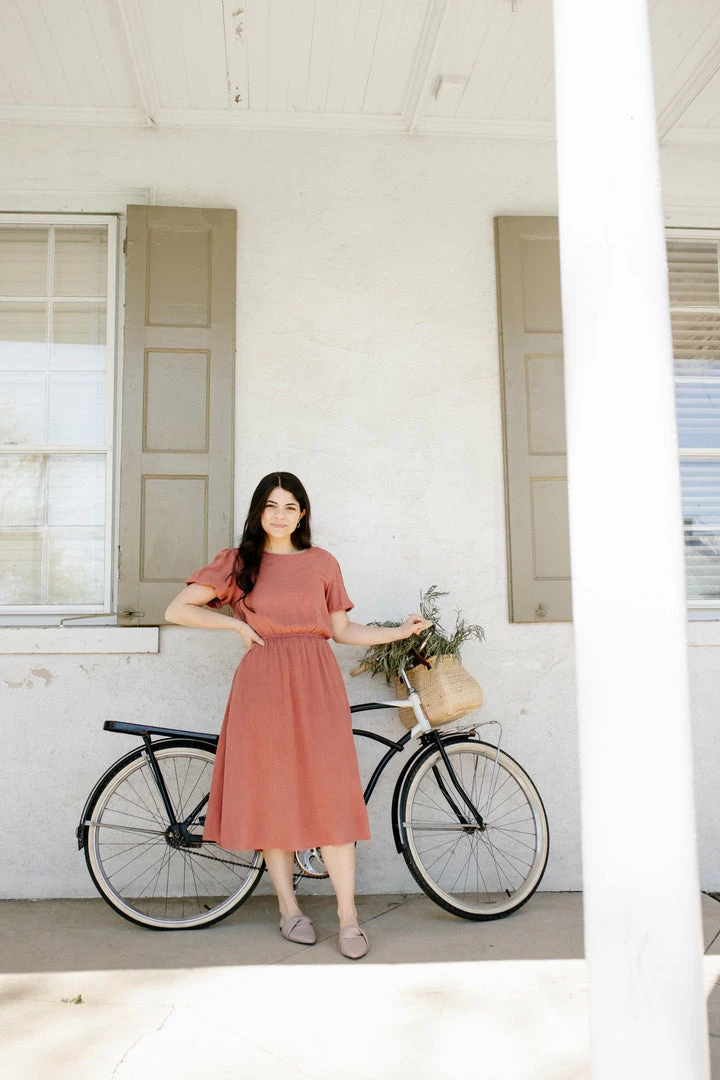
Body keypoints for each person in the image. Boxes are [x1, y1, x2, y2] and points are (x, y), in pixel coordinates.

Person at [165, 471, 431, 960]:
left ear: (302, 513)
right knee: (274, 795)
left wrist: (398, 633)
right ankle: (289, 908)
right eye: (271, 506)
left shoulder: (322, 563)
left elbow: (343, 630)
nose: (280, 515)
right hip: (262, 684)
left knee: (332, 796)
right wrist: (236, 630)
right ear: (258, 512)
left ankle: (349, 920)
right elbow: (178, 609)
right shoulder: (239, 563)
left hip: (317, 681)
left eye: (290, 506)